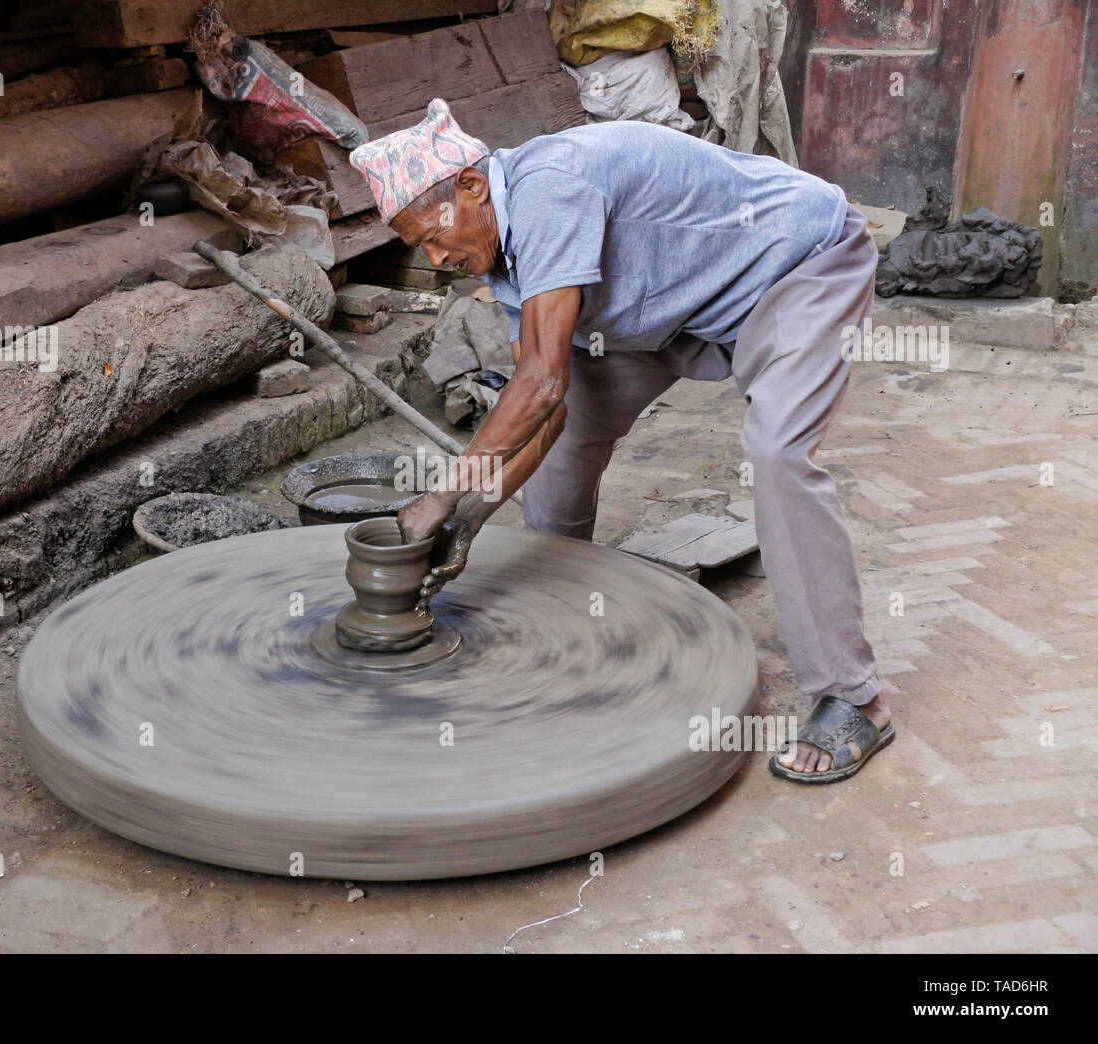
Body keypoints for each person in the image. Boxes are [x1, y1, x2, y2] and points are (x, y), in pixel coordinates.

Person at [348, 99, 894, 783]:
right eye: (419, 247)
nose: (435, 256)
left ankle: (854, 698)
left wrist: (436, 500)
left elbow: (540, 382)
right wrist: (471, 518)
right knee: (563, 438)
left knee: (778, 453)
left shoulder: (550, 188)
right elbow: (543, 411)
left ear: (470, 185)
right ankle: (566, 612)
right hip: (671, 303)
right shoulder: (501, 250)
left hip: (796, 267)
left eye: (433, 235)